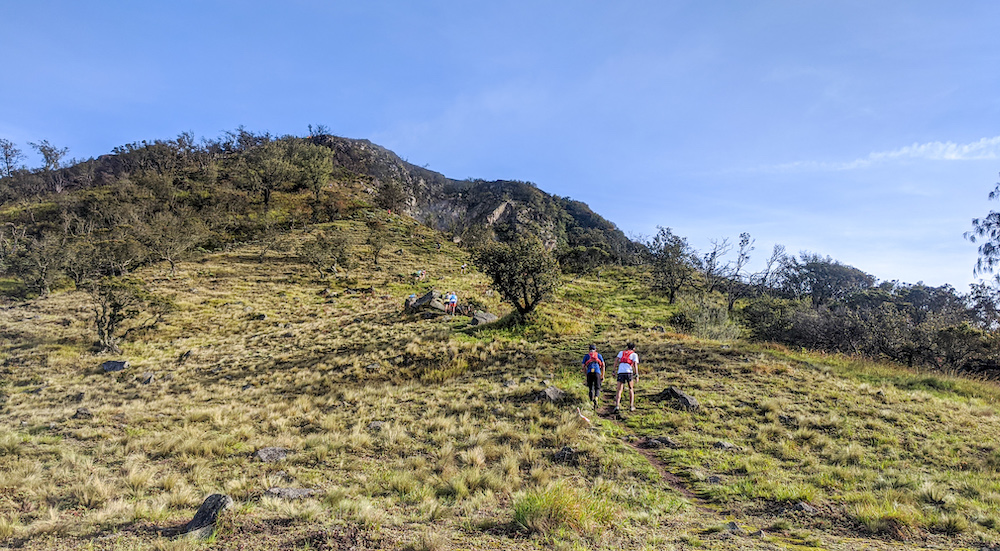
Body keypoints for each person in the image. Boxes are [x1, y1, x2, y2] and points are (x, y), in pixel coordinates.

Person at [614, 342, 639, 412]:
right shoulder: (634, 354)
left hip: (620, 372)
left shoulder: (621, 352)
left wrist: (614, 370)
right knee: (631, 389)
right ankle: (631, 406)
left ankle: (617, 405)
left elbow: (616, 361)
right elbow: (635, 365)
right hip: (629, 372)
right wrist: (636, 375)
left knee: (619, 389)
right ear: (634, 348)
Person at [581, 344, 605, 410]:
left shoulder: (586, 356)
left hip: (589, 372)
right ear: (595, 349)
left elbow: (583, 366)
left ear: (589, 350)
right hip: (597, 372)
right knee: (597, 387)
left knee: (590, 387)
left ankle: (591, 402)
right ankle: (596, 398)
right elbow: (603, 365)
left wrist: (586, 374)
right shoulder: (599, 355)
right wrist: (602, 375)